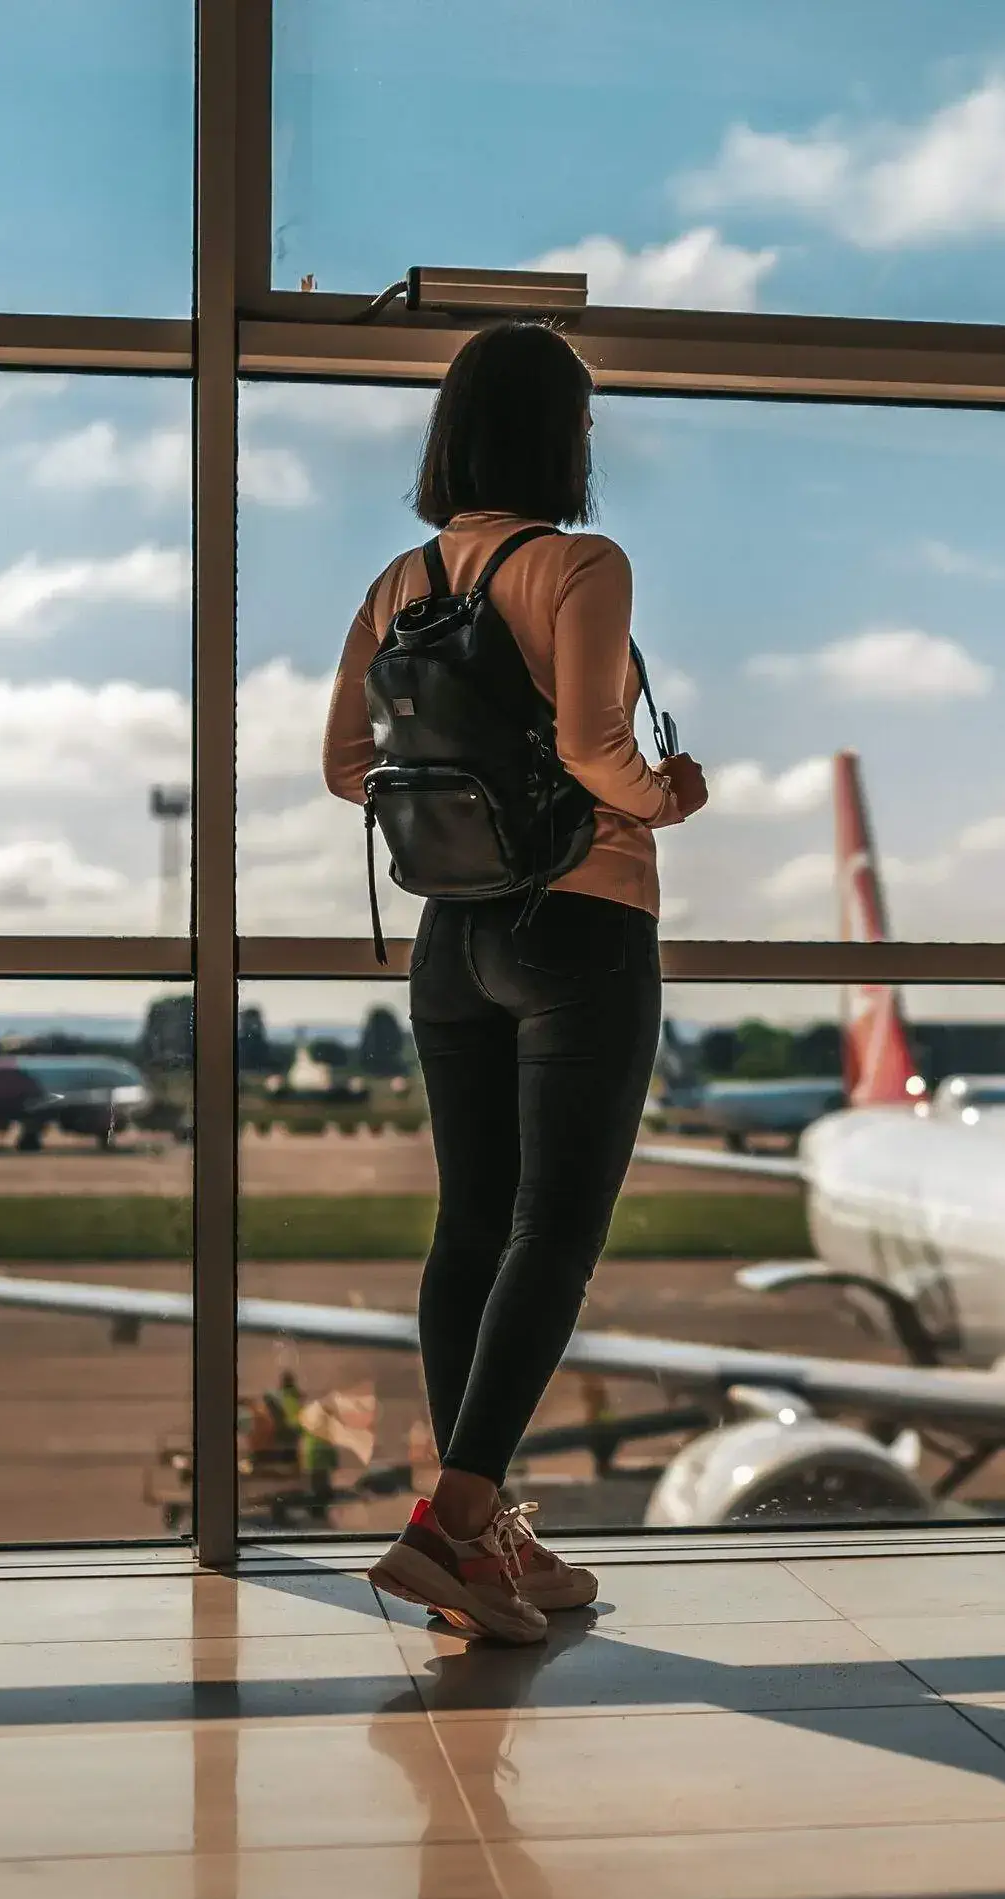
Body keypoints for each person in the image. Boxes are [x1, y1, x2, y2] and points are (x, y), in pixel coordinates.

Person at [321, 321, 708, 1644]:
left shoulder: (399, 581)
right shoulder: (581, 564)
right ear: (560, 439)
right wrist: (671, 796)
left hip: (451, 941)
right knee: (558, 1227)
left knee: (470, 1225)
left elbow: (342, 766)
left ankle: (481, 1541)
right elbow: (602, 754)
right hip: (582, 921)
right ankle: (452, 1519)